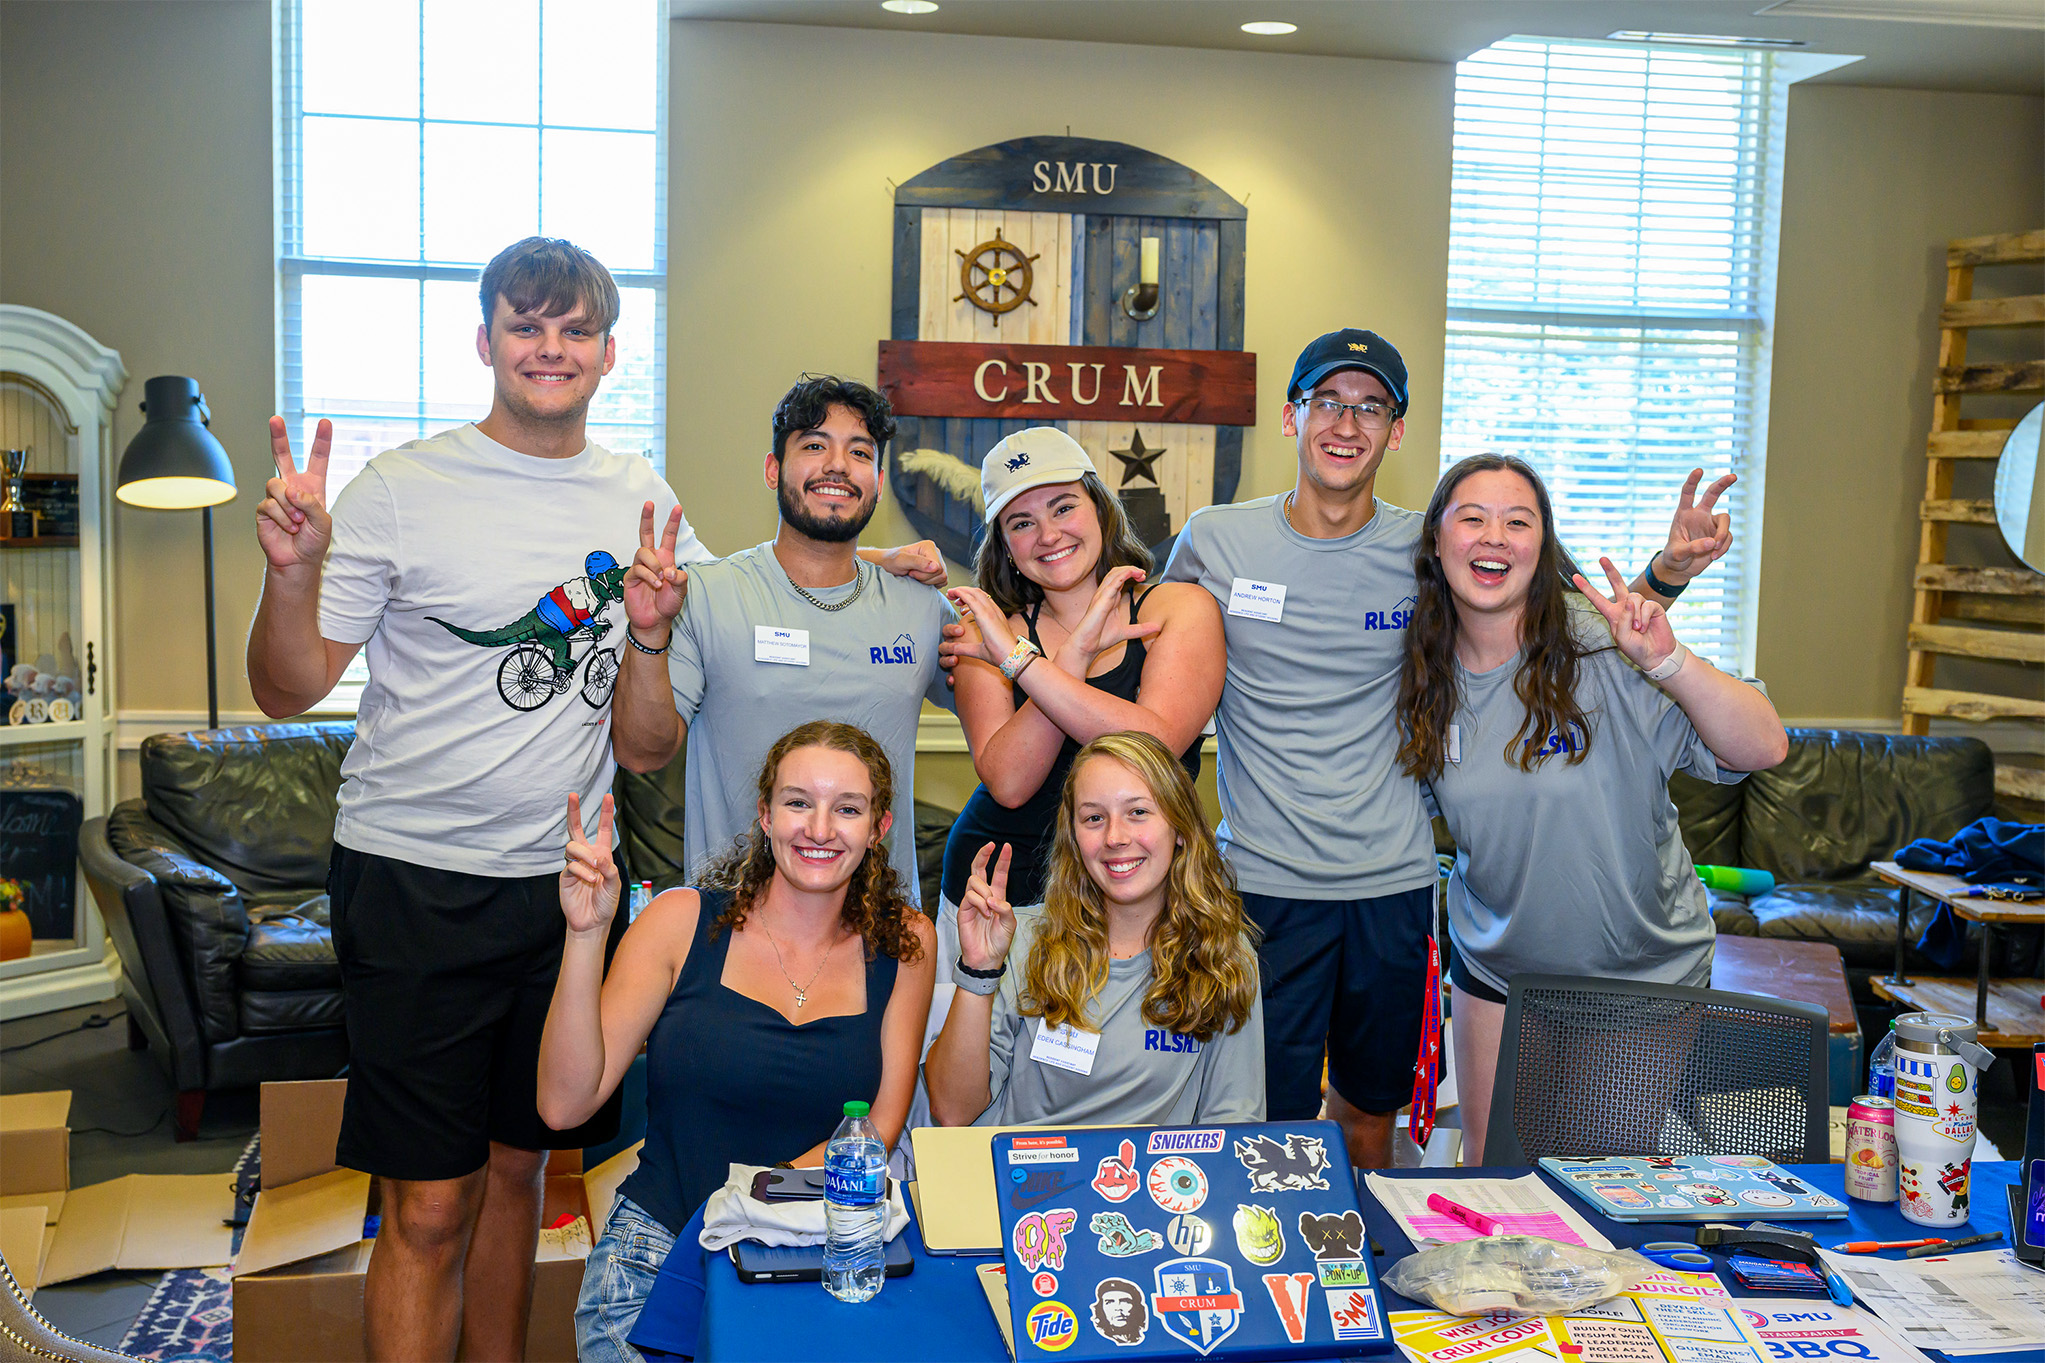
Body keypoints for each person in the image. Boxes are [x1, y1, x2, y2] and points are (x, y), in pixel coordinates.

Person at [246, 239, 939, 1362]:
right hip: (413, 877)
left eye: (574, 331)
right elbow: (287, 687)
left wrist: (887, 570)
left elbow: (723, 619)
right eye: (526, 327)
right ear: (485, 342)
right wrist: (290, 572)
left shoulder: (639, 495)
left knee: (526, 1169)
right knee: (427, 1203)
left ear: (609, 353)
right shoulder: (398, 489)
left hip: (567, 891)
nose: (550, 349)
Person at [1161, 327, 1736, 1169]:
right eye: (1327, 402)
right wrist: (889, 563)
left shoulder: (1432, 546)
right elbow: (1148, 661)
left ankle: (1352, 1271)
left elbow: (1569, 614)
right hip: (1262, 883)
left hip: (1391, 889)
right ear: (1291, 417)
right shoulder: (1214, 540)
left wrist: (1665, 573)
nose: (1346, 424)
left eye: (1370, 407)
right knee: (1262, 1119)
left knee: (1369, 1115)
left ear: (1395, 432)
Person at [1397, 454, 1787, 1163]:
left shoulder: (1607, 647)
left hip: (1635, 978)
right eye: (1472, 518)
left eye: (1517, 522)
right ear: (1435, 540)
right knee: (1494, 1176)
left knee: (1594, 1190)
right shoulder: (1421, 672)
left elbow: (1763, 744)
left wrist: (1667, 661)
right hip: (1495, 973)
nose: (1493, 537)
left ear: (1541, 548)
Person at [537, 720, 935, 1362]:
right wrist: (587, 935)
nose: (820, 828)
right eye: (798, 802)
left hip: (815, 1259)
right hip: (656, 1258)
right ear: (765, 814)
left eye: (848, 809)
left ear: (879, 828)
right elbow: (562, 1105)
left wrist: (744, 1212)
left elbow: (882, 1125)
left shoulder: (904, 945)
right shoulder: (679, 921)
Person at [611, 375, 952, 900]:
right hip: (732, 927)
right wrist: (648, 632)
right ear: (773, 470)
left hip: (878, 933)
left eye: (859, 452)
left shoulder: (921, 606)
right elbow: (640, 753)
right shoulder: (705, 597)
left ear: (878, 481)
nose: (837, 464)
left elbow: (1006, 732)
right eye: (814, 445)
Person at [939, 426, 1224, 981]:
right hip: (1002, 898)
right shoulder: (986, 630)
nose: (1048, 534)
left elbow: (1153, 749)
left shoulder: (1179, 608)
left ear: (1100, 508)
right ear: (1005, 547)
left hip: (1141, 897)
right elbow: (1010, 780)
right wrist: (1066, 657)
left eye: (1063, 506)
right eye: (1021, 523)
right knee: (982, 1066)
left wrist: (1023, 663)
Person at [925, 730, 1264, 1127]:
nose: (1115, 838)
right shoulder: (1024, 940)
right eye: (1094, 818)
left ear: (1181, 830)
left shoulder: (1220, 953)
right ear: (1074, 839)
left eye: (1138, 812)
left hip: (1150, 1183)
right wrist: (978, 970)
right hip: (1018, 1179)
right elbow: (951, 1112)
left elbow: (1233, 1121)